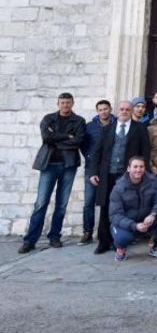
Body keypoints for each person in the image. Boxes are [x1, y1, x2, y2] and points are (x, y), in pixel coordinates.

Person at [19, 92, 86, 253]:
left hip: (68, 165)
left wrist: (58, 140)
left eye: (68, 102)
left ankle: (55, 236)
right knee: (41, 203)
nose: (65, 105)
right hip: (48, 165)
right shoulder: (48, 118)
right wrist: (66, 137)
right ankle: (30, 240)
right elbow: (46, 137)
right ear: (58, 104)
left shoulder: (79, 121)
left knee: (61, 204)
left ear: (73, 103)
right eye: (62, 103)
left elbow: (78, 140)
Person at [89, 100, 152, 255]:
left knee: (126, 207)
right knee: (106, 207)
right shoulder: (107, 129)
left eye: (127, 109)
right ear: (116, 111)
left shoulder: (140, 128)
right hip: (107, 174)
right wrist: (93, 172)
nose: (124, 111)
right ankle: (103, 242)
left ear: (132, 111)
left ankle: (121, 241)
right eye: (122, 109)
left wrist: (143, 173)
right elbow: (97, 152)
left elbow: (145, 152)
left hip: (128, 176)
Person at [109, 156, 157, 261]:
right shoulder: (119, 187)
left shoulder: (153, 181)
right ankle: (120, 248)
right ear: (128, 168)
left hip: (148, 220)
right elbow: (115, 215)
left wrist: (153, 214)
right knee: (123, 238)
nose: (138, 170)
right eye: (135, 166)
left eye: (141, 167)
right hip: (128, 223)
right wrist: (135, 225)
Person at [79, 99, 113, 245]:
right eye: (100, 109)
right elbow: (83, 145)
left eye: (106, 109)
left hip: (110, 168)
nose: (103, 112)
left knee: (111, 201)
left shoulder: (116, 124)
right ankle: (87, 232)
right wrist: (89, 157)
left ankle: (108, 232)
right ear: (97, 111)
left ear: (110, 109)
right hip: (91, 168)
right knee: (89, 201)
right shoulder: (90, 127)